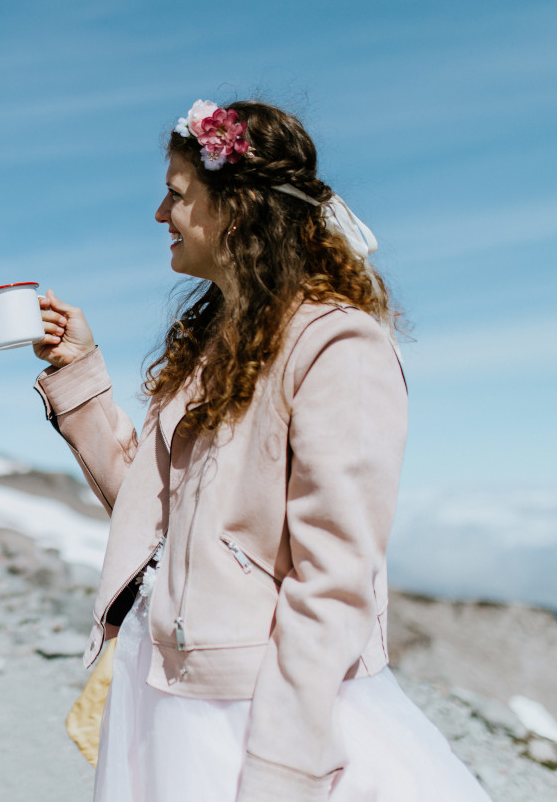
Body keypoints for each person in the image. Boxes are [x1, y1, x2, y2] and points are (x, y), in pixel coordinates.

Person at [32, 100, 490, 801]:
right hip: (171, 689)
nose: (161, 213)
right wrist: (81, 371)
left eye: (178, 193)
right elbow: (150, 514)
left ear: (238, 208)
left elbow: (333, 580)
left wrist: (284, 770)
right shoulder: (215, 345)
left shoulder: (337, 345)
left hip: (253, 712)